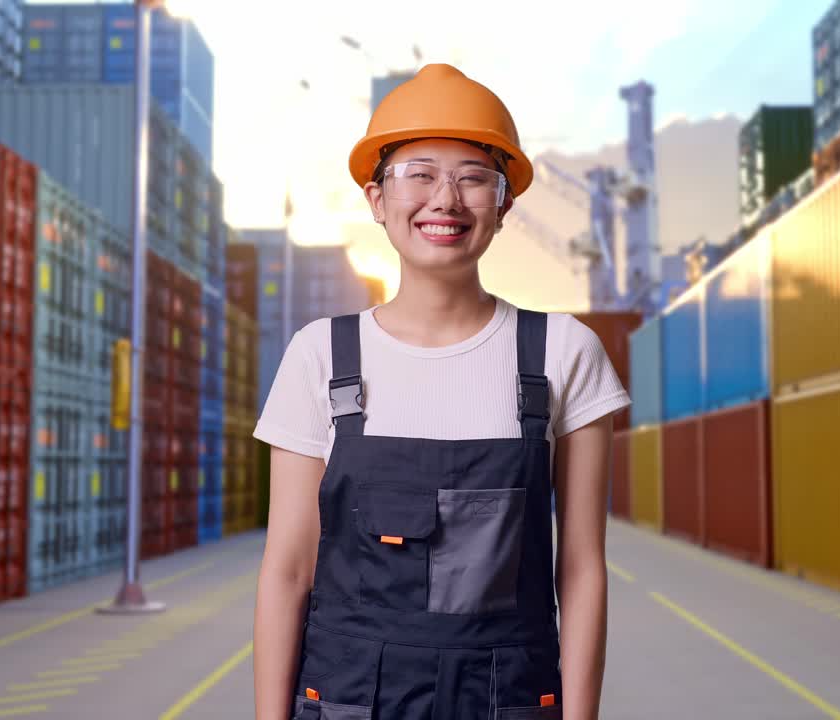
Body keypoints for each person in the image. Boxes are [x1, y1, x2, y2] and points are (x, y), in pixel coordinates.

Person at [252, 63, 630, 720]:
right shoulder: (320, 355)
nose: (445, 199)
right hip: (348, 700)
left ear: (504, 204)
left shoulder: (564, 354)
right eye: (419, 173)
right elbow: (287, 572)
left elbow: (582, 569)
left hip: (506, 699)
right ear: (377, 200)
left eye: (473, 177)